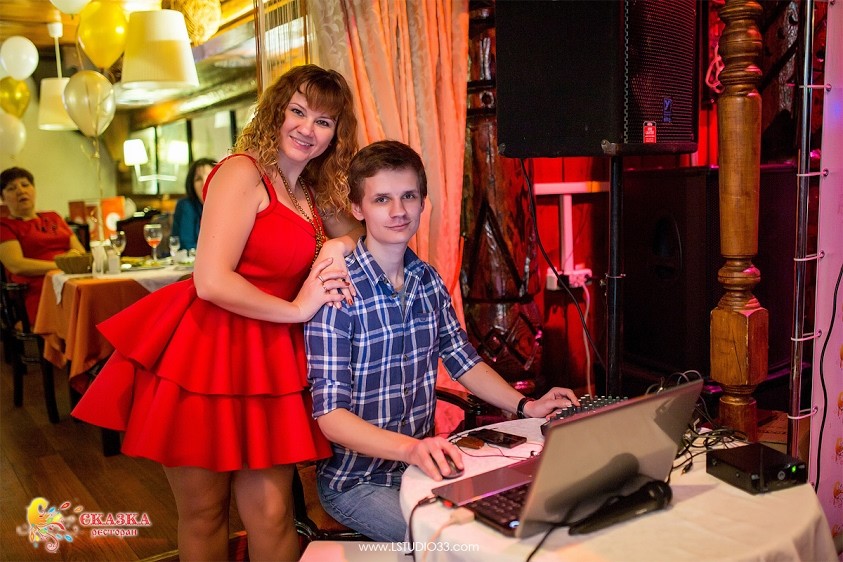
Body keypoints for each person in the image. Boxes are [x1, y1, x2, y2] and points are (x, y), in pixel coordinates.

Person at [72, 65, 363, 561]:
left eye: (323, 121)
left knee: (272, 514)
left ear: (335, 133)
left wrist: (337, 244)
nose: (306, 128)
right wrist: (297, 309)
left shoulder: (309, 191)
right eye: (297, 111)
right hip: (207, 353)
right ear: (276, 112)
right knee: (205, 513)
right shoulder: (242, 172)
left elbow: (358, 231)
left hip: (268, 360)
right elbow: (210, 280)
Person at [305, 140, 580, 542]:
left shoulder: (428, 280)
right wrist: (411, 449)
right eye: (382, 199)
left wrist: (527, 405)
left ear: (423, 202)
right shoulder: (337, 289)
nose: (398, 211)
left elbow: (463, 360)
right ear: (357, 209)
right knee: (459, 543)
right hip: (358, 483)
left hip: (423, 467)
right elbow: (331, 417)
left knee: (526, 510)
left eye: (408, 196)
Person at [0, 167, 86, 323]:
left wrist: (70, 267)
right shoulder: (4, 226)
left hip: (70, 279)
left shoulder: (53, 217)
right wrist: (61, 266)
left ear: (34, 189)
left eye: (25, 185)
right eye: (11, 188)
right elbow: (16, 265)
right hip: (39, 288)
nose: (20, 191)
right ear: (3, 198)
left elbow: (80, 252)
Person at [172, 158, 216, 251]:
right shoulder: (186, 206)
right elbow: (186, 245)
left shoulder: (227, 207)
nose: (204, 183)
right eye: (198, 179)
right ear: (192, 185)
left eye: (210, 176)